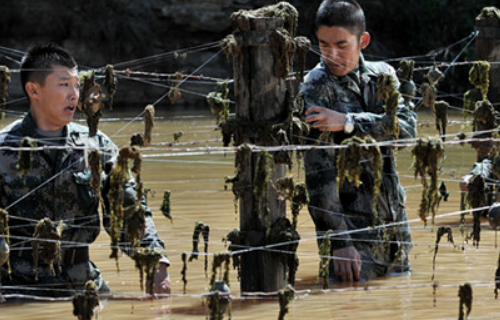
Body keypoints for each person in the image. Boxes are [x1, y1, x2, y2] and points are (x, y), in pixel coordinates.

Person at [0, 44, 171, 298]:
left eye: (77, 85)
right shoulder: (4, 149)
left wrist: (156, 264)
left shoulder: (96, 144)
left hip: (84, 284)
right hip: (19, 290)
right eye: (63, 85)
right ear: (33, 89)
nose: (74, 94)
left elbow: (128, 209)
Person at [296, 0, 417, 282]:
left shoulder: (383, 76)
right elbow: (318, 177)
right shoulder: (315, 88)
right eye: (324, 45)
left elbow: (406, 131)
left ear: (362, 41)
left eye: (341, 44)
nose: (332, 54)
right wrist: (340, 242)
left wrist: (348, 122)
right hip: (352, 241)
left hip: (396, 232)